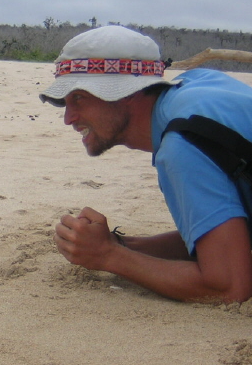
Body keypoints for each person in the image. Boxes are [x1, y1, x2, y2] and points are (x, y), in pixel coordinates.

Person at [39, 25, 252, 303]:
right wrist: (122, 245)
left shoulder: (182, 144)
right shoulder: (198, 87)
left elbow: (229, 287)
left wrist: (109, 256)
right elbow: (228, 234)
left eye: (78, 97)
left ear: (126, 92)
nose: (68, 117)